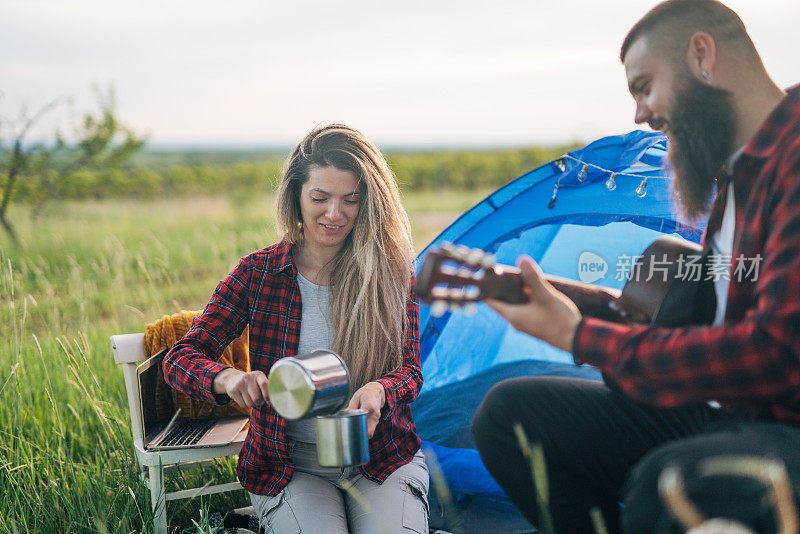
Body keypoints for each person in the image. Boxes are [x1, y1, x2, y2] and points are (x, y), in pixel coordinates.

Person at [471, 1, 800, 532]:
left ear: (702, 55)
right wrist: (577, 304)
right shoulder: (738, 173)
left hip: (785, 427)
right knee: (510, 417)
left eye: (644, 86)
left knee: (667, 482)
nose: (639, 115)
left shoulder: (794, 156)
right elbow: (720, 309)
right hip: (729, 412)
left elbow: (777, 350)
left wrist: (581, 337)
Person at [163, 124, 429, 533]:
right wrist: (227, 378)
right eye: (319, 198)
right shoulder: (260, 273)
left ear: (370, 203)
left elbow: (411, 372)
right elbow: (181, 356)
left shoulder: (392, 275)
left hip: (382, 458)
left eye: (350, 200)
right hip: (290, 465)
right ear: (296, 196)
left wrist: (380, 391)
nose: (334, 214)